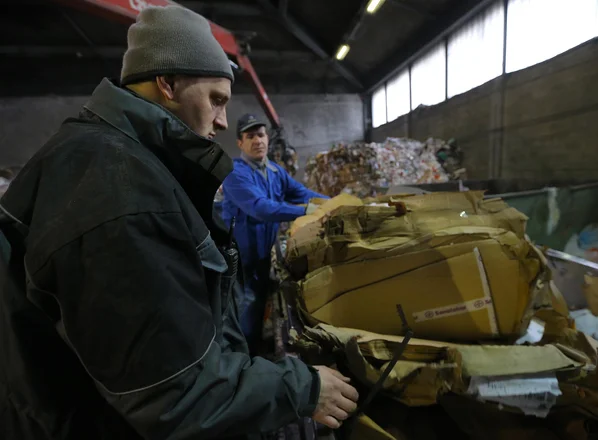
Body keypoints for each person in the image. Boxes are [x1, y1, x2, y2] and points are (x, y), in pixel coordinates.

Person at [0, 6, 357, 440]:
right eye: (216, 100)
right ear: (167, 84)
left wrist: (331, 203)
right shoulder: (119, 188)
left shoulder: (116, 158)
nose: (222, 121)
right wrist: (302, 388)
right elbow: (172, 391)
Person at [222, 114, 328, 352]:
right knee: (242, 308)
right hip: (240, 257)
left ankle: (256, 353)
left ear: (268, 138)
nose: (257, 140)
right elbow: (261, 209)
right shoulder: (234, 173)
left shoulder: (275, 172)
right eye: (250, 136)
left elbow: (302, 193)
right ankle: (240, 359)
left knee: (258, 304)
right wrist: (305, 211)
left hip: (261, 256)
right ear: (240, 143)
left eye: (261, 134)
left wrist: (337, 203)